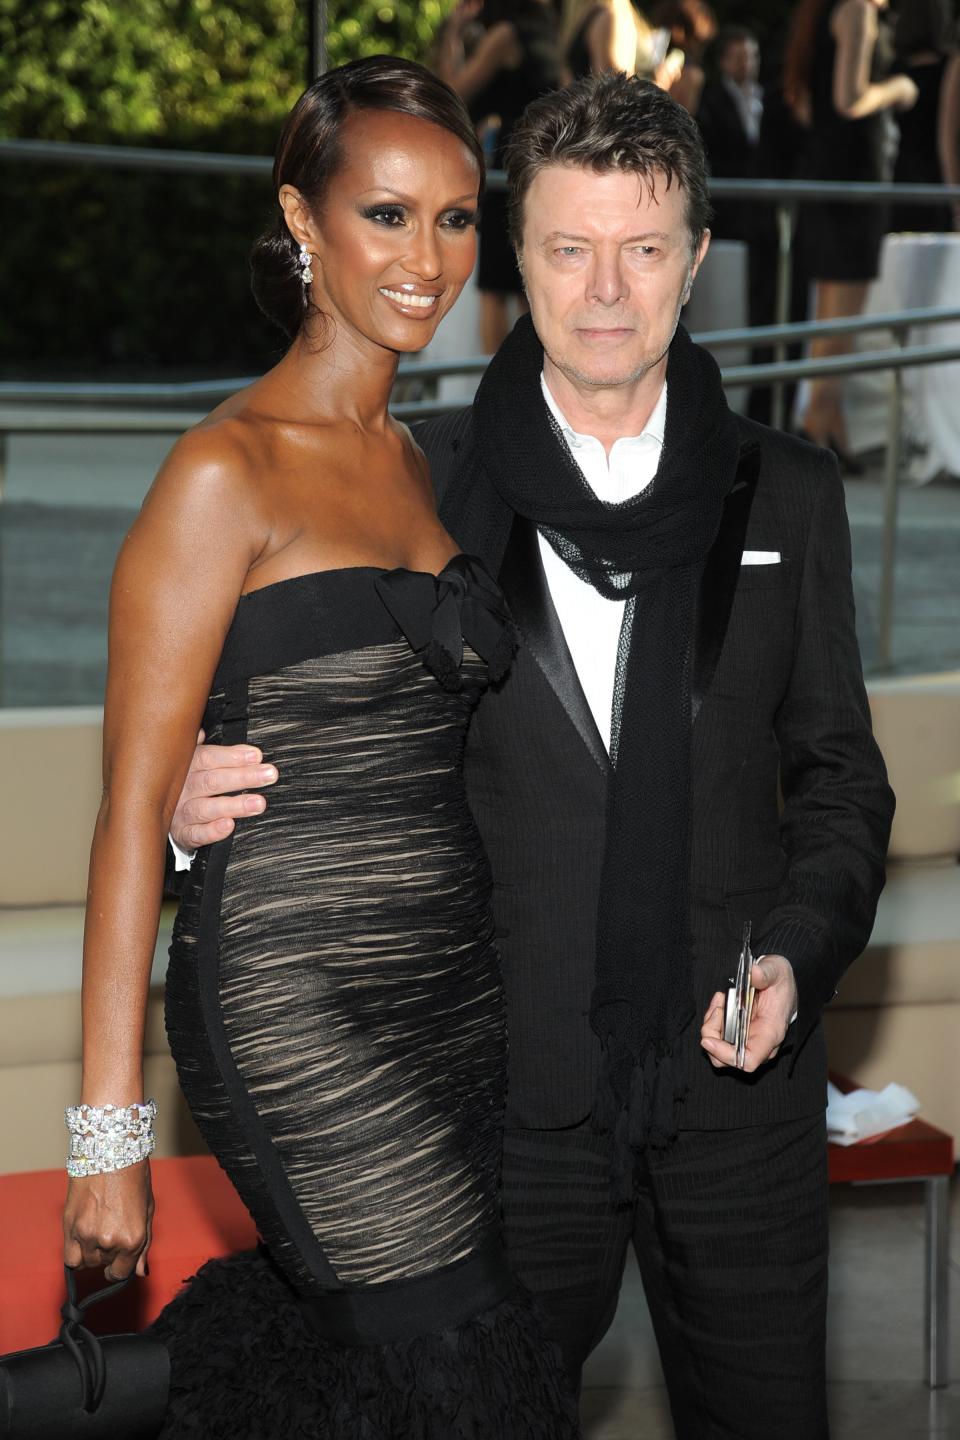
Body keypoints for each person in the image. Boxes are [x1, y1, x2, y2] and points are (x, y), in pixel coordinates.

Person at [171, 73, 895, 1439]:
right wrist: (186, 801)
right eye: (570, 247)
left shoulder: (789, 493)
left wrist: (798, 946)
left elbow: (844, 776)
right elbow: (308, 730)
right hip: (500, 1103)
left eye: (642, 248)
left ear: (695, 257)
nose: (606, 289)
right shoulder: (421, 484)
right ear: (521, 261)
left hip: (740, 1101)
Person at [61, 54, 581, 1439]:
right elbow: (126, 821)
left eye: (458, 218)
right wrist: (106, 1144)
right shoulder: (223, 470)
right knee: (455, 1367)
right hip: (298, 1009)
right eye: (387, 215)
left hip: (452, 1007)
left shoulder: (423, 461)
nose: (427, 258)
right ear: (305, 223)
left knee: (374, 1364)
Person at [784, 0, 918, 469]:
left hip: (831, 176)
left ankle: (827, 422)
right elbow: (850, 98)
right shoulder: (857, 10)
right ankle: (818, 428)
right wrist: (899, 89)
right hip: (852, 182)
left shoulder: (822, 15)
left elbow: (809, 106)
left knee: (833, 319)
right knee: (841, 319)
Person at [437, 0, 561, 354]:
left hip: (506, 172)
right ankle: (533, 387)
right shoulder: (549, 38)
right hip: (538, 166)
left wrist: (453, 34)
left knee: (494, 288)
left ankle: (498, 390)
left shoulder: (504, 36)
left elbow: (453, 92)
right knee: (528, 283)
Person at [890, 0, 955, 233]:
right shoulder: (949, 69)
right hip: (938, 175)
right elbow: (947, 135)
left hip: (903, 173)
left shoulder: (895, 69)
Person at [697, 25, 764, 241]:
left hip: (760, 205)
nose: (746, 63)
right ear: (723, 62)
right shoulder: (710, 101)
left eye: (751, 56)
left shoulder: (769, 97)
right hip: (728, 207)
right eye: (738, 57)